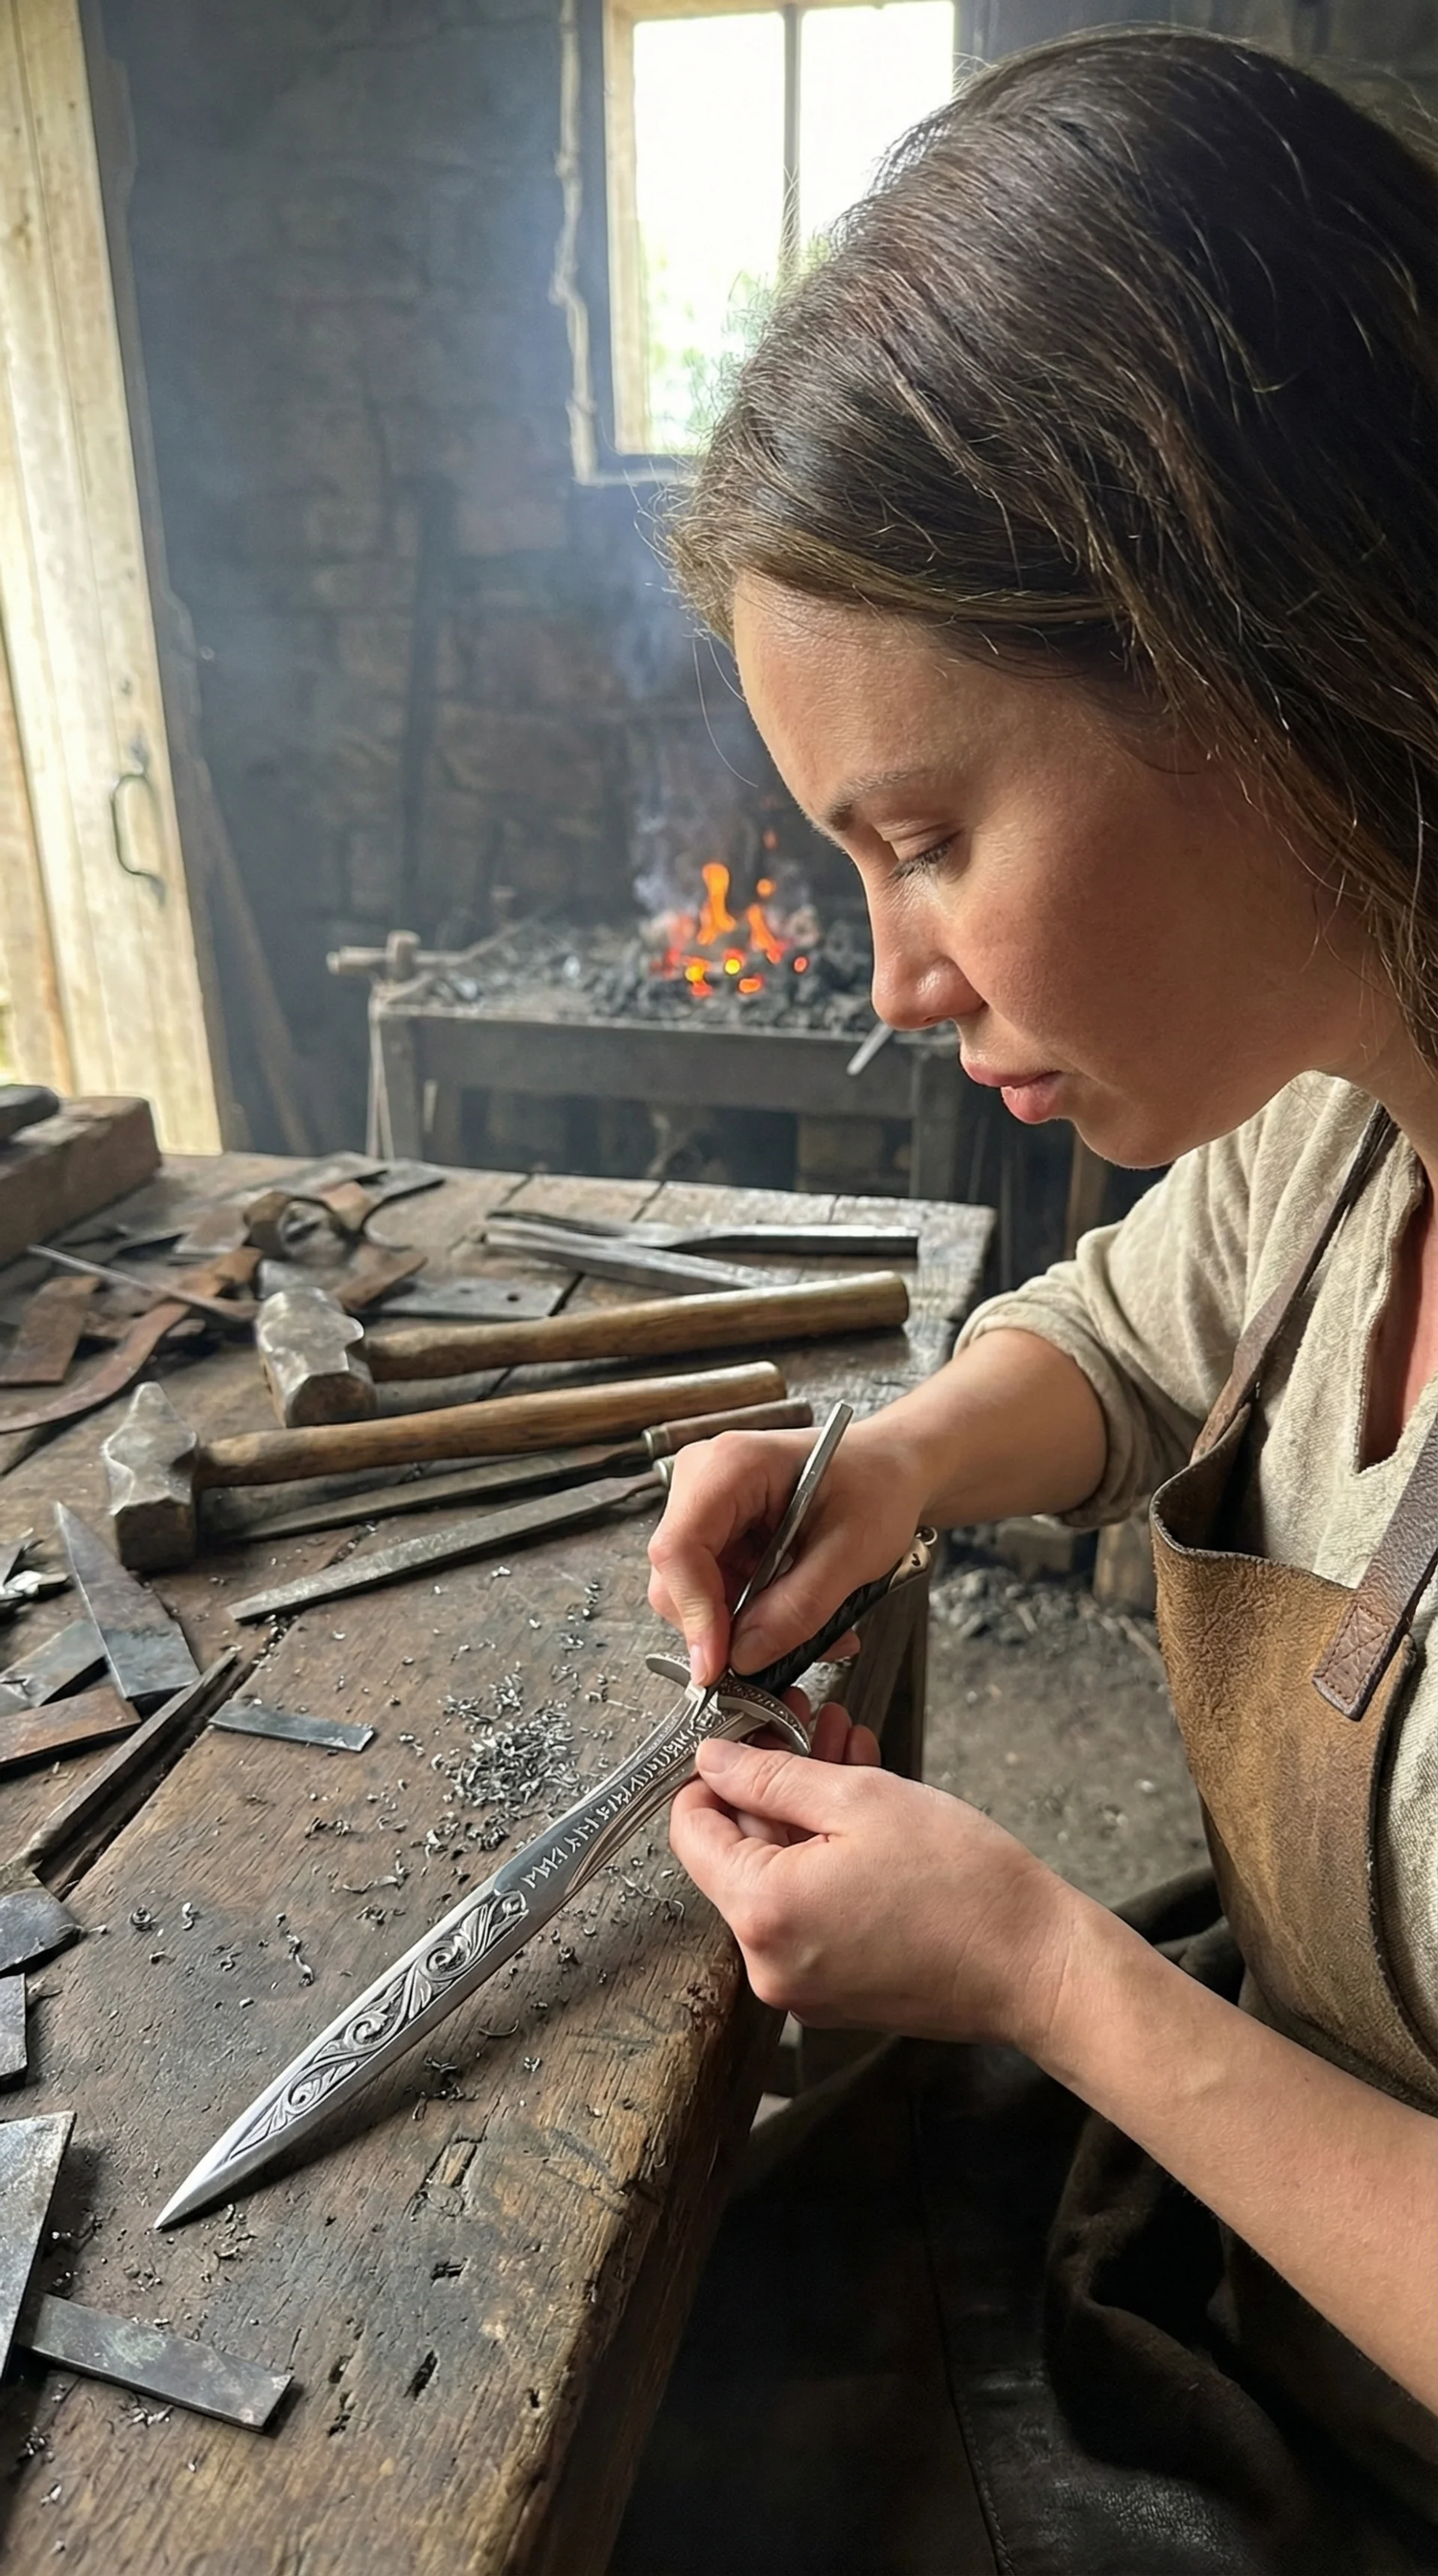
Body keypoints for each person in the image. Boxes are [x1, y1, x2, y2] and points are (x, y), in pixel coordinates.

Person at [643, 27, 1438, 2571]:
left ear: (1275, 661)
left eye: (926, 835)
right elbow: (1112, 1341)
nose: (890, 978)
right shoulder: (1348, 1116)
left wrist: (1040, 1968)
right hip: (1225, 2237)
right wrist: (886, 1460)